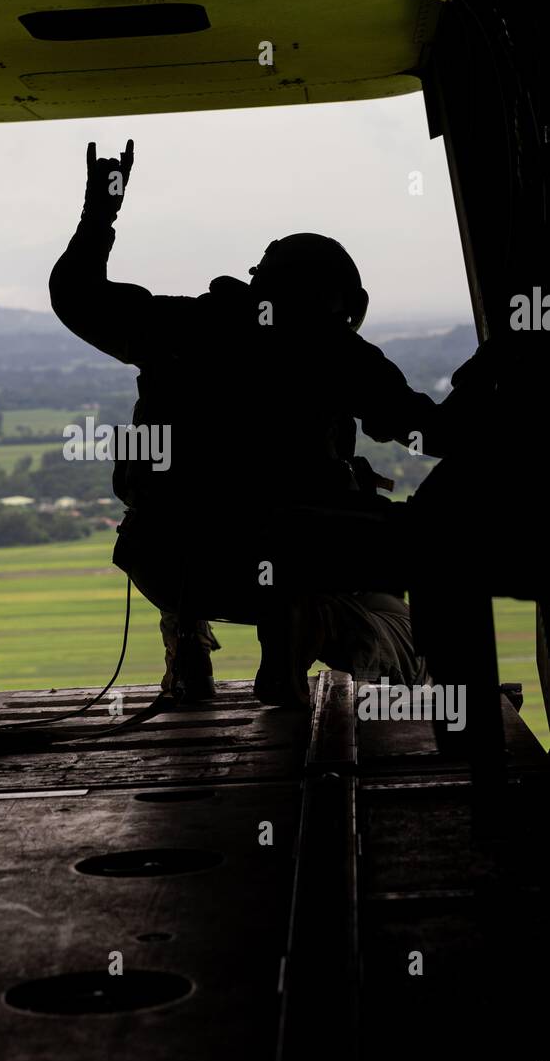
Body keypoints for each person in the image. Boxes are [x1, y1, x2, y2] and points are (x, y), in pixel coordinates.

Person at [49, 140, 469, 707]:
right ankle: (305, 633)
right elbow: (436, 435)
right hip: (292, 563)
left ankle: (188, 642)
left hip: (168, 560)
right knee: (400, 618)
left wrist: (99, 214)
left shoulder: (181, 326)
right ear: (345, 301)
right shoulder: (338, 352)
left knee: (188, 500)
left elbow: (77, 297)